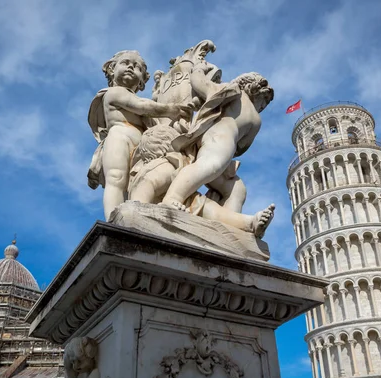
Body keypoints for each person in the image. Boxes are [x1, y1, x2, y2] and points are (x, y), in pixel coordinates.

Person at [87, 50, 192, 220]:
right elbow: (142, 105)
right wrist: (171, 109)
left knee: (136, 185)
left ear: (142, 80)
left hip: (141, 148)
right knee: (116, 178)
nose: (130, 66)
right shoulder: (114, 92)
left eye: (137, 67)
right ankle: (114, 222)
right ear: (112, 70)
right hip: (119, 137)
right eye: (126, 62)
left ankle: (135, 217)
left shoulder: (143, 105)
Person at [128, 124, 274, 238]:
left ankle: (249, 223)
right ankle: (249, 223)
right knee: (210, 209)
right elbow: (145, 186)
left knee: (211, 209)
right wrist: (142, 211)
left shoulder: (176, 166)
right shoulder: (163, 166)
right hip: (162, 207)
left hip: (183, 204)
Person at [161, 65, 274, 211]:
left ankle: (229, 223)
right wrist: (199, 70)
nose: (263, 106)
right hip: (220, 138)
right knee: (210, 165)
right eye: (264, 100)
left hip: (224, 147)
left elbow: (241, 147)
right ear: (252, 88)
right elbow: (201, 84)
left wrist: (199, 71)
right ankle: (172, 197)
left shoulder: (254, 118)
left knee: (236, 189)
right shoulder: (235, 93)